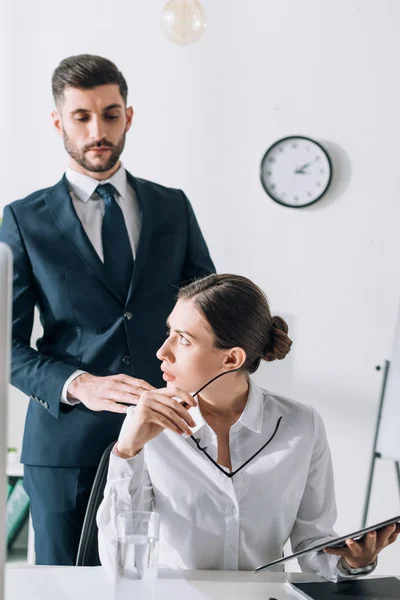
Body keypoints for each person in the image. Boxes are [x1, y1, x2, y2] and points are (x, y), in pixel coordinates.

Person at [0, 54, 215, 566]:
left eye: (111, 114)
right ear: (59, 122)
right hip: (64, 450)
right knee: (63, 590)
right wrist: (80, 384)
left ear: (129, 115)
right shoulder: (22, 219)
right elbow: (5, 347)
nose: (98, 130)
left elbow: (210, 316)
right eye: (82, 116)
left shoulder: (173, 207)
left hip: (168, 440)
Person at [97, 274, 399, 581]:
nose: (163, 351)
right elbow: (118, 561)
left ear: (231, 359)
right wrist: (127, 451)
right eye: (169, 332)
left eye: (184, 339)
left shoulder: (301, 426)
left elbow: (313, 545)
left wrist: (352, 561)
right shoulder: (148, 425)